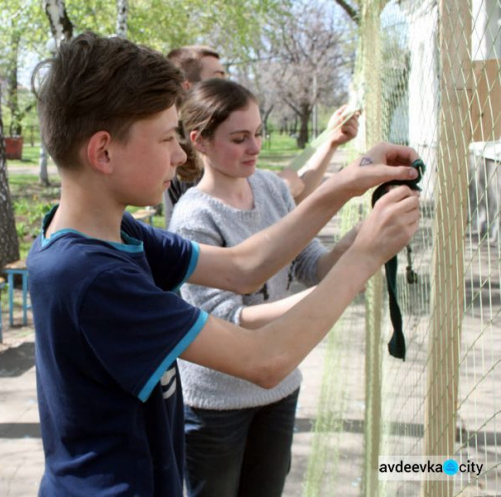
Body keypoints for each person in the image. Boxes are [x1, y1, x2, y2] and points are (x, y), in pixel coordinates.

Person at [28, 32, 420, 496]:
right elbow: (264, 360)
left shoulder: (111, 231)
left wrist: (348, 182)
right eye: (166, 139)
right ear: (103, 152)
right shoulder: (92, 274)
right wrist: (365, 256)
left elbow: (242, 266)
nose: (179, 155)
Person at [169, 78, 358, 496]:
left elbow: (311, 263)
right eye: (239, 138)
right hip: (215, 403)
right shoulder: (192, 218)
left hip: (279, 386)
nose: (254, 147)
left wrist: (359, 242)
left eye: (258, 134)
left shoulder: (272, 188)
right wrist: (326, 297)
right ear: (200, 141)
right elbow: (225, 322)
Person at [162, 44, 359, 226]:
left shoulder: (248, 174)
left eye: (257, 134)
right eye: (218, 77)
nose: (255, 147)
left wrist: (330, 142)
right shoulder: (192, 196)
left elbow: (288, 206)